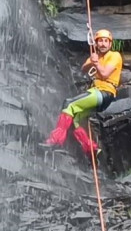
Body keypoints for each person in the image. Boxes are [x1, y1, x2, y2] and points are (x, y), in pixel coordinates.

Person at [45, 29, 123, 158]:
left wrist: (96, 63)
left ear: (110, 44)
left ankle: (56, 140)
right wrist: (92, 61)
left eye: (106, 41)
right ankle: (91, 148)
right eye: (100, 41)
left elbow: (104, 74)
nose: (103, 44)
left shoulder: (114, 55)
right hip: (98, 95)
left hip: (104, 92)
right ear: (96, 44)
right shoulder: (96, 56)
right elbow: (84, 69)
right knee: (75, 119)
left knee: (69, 104)